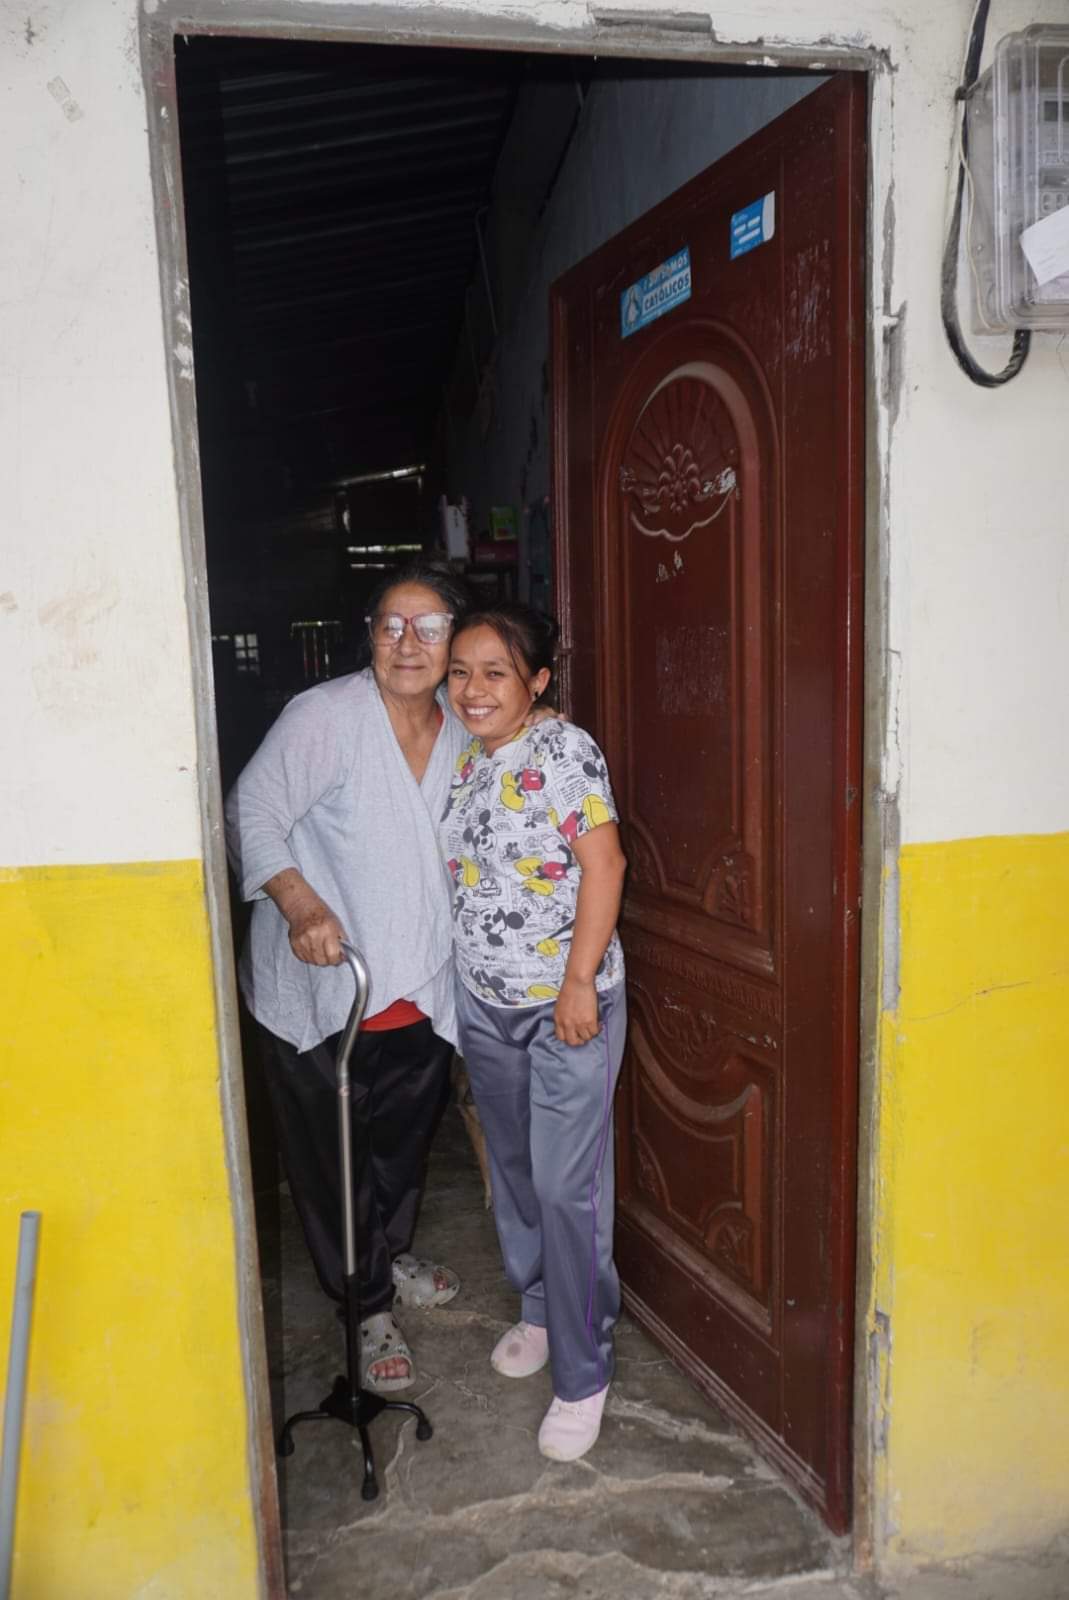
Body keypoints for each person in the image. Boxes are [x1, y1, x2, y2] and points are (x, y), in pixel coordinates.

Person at [225, 565, 474, 1393]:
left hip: (419, 989)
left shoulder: (465, 725)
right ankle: (365, 1306)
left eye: (429, 627)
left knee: (399, 1149)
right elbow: (251, 811)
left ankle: (387, 1257)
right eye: (391, 624)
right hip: (325, 987)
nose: (408, 643)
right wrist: (299, 905)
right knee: (332, 1159)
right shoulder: (325, 716)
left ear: (454, 640)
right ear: (367, 633)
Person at [439, 603, 628, 1462]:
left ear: (538, 681)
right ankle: (541, 1309)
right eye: (460, 672)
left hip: (566, 1008)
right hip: (487, 1002)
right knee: (515, 1175)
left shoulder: (563, 751)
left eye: (495, 673)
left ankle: (583, 1375)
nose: (472, 690)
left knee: (564, 1189)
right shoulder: (470, 759)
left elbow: (604, 864)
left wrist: (578, 981)